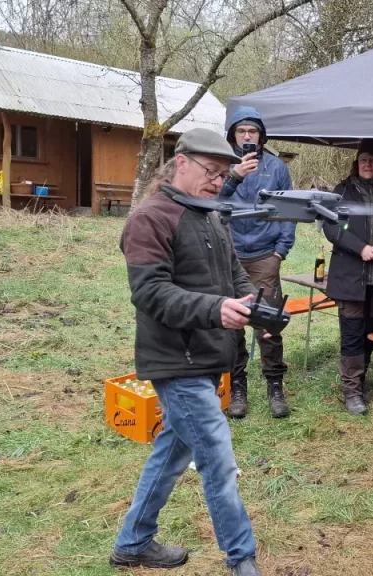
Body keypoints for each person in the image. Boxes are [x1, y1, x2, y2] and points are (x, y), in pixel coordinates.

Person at [112, 128, 262, 576]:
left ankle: (133, 542)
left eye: (223, 174)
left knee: (172, 450)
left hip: (208, 355)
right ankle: (242, 558)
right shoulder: (149, 218)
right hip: (176, 361)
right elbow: (150, 292)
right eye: (211, 172)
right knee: (217, 457)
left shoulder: (209, 214)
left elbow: (233, 273)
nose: (218, 181)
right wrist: (217, 309)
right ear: (181, 163)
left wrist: (255, 308)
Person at [220, 106, 296, 419]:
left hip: (266, 255)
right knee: (232, 325)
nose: (248, 136)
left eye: (253, 131)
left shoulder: (276, 167)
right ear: (233, 135)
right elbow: (213, 201)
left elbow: (289, 209)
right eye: (242, 131)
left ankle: (275, 384)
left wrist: (281, 251)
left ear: (261, 135)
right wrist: (235, 175)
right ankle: (238, 386)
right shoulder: (223, 165)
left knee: (268, 323)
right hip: (230, 254)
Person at [323, 139, 373, 415]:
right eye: (363, 160)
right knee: (351, 333)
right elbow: (332, 227)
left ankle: (361, 376)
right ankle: (352, 389)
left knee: (372, 330)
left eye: (372, 160)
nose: (367, 164)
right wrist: (361, 248)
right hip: (349, 275)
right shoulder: (342, 191)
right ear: (356, 163)